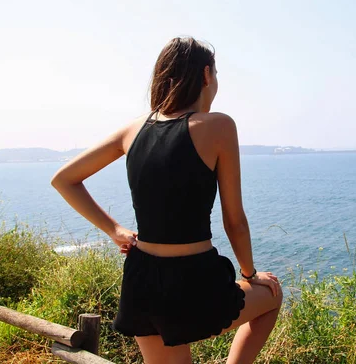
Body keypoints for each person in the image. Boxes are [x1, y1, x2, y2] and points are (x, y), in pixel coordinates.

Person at [51, 36, 282, 364]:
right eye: (216, 76)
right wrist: (249, 274)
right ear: (205, 75)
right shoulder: (218, 126)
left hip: (142, 279)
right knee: (273, 296)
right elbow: (234, 220)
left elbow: (64, 179)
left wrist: (115, 230)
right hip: (193, 282)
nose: (216, 85)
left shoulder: (133, 131)